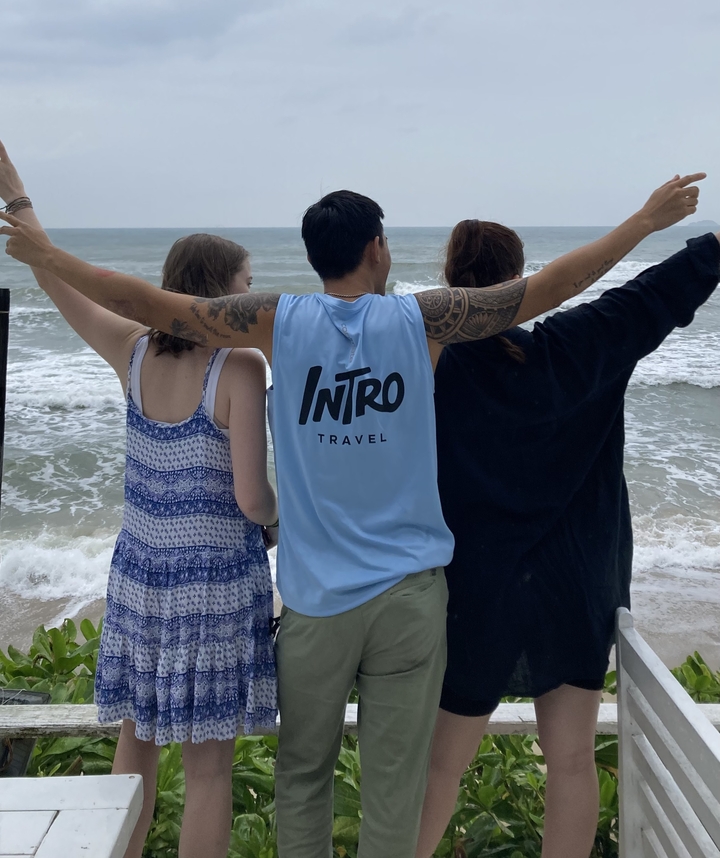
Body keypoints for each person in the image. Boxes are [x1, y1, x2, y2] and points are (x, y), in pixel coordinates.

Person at [1, 171, 704, 858]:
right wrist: (644, 222)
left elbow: (149, 304)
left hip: (317, 603)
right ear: (376, 249)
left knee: (304, 777)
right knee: (395, 787)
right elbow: (551, 290)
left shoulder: (274, 323)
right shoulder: (422, 321)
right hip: (409, 602)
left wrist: (51, 258)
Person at [0, 144, 278, 858]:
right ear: (219, 293)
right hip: (214, 590)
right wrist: (280, 524)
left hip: (140, 585)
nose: (252, 297)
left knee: (138, 748)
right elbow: (251, 499)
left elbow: (68, 290)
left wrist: (21, 201)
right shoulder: (241, 365)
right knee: (210, 773)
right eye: (246, 284)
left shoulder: (131, 350)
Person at [415, 218, 720, 858]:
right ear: (524, 280)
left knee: (440, 768)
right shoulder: (580, 345)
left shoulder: (430, 362)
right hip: (577, 584)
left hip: (478, 589)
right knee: (573, 761)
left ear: (450, 282)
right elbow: (655, 293)